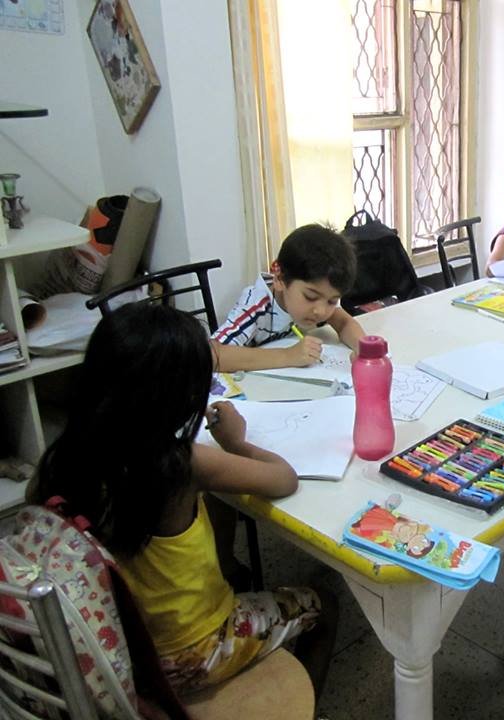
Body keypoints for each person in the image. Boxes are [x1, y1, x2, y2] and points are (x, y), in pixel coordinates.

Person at [30, 303, 338, 702]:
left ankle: (230, 576)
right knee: (324, 603)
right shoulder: (178, 463)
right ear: (180, 397)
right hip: (190, 653)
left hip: (113, 640)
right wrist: (237, 442)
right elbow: (283, 479)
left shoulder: (60, 458)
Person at [212, 223, 365, 372]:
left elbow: (344, 323)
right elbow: (212, 355)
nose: (321, 311)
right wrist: (287, 355)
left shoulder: (320, 296)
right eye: (310, 297)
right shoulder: (256, 306)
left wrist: (364, 349)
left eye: (332, 301)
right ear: (279, 278)